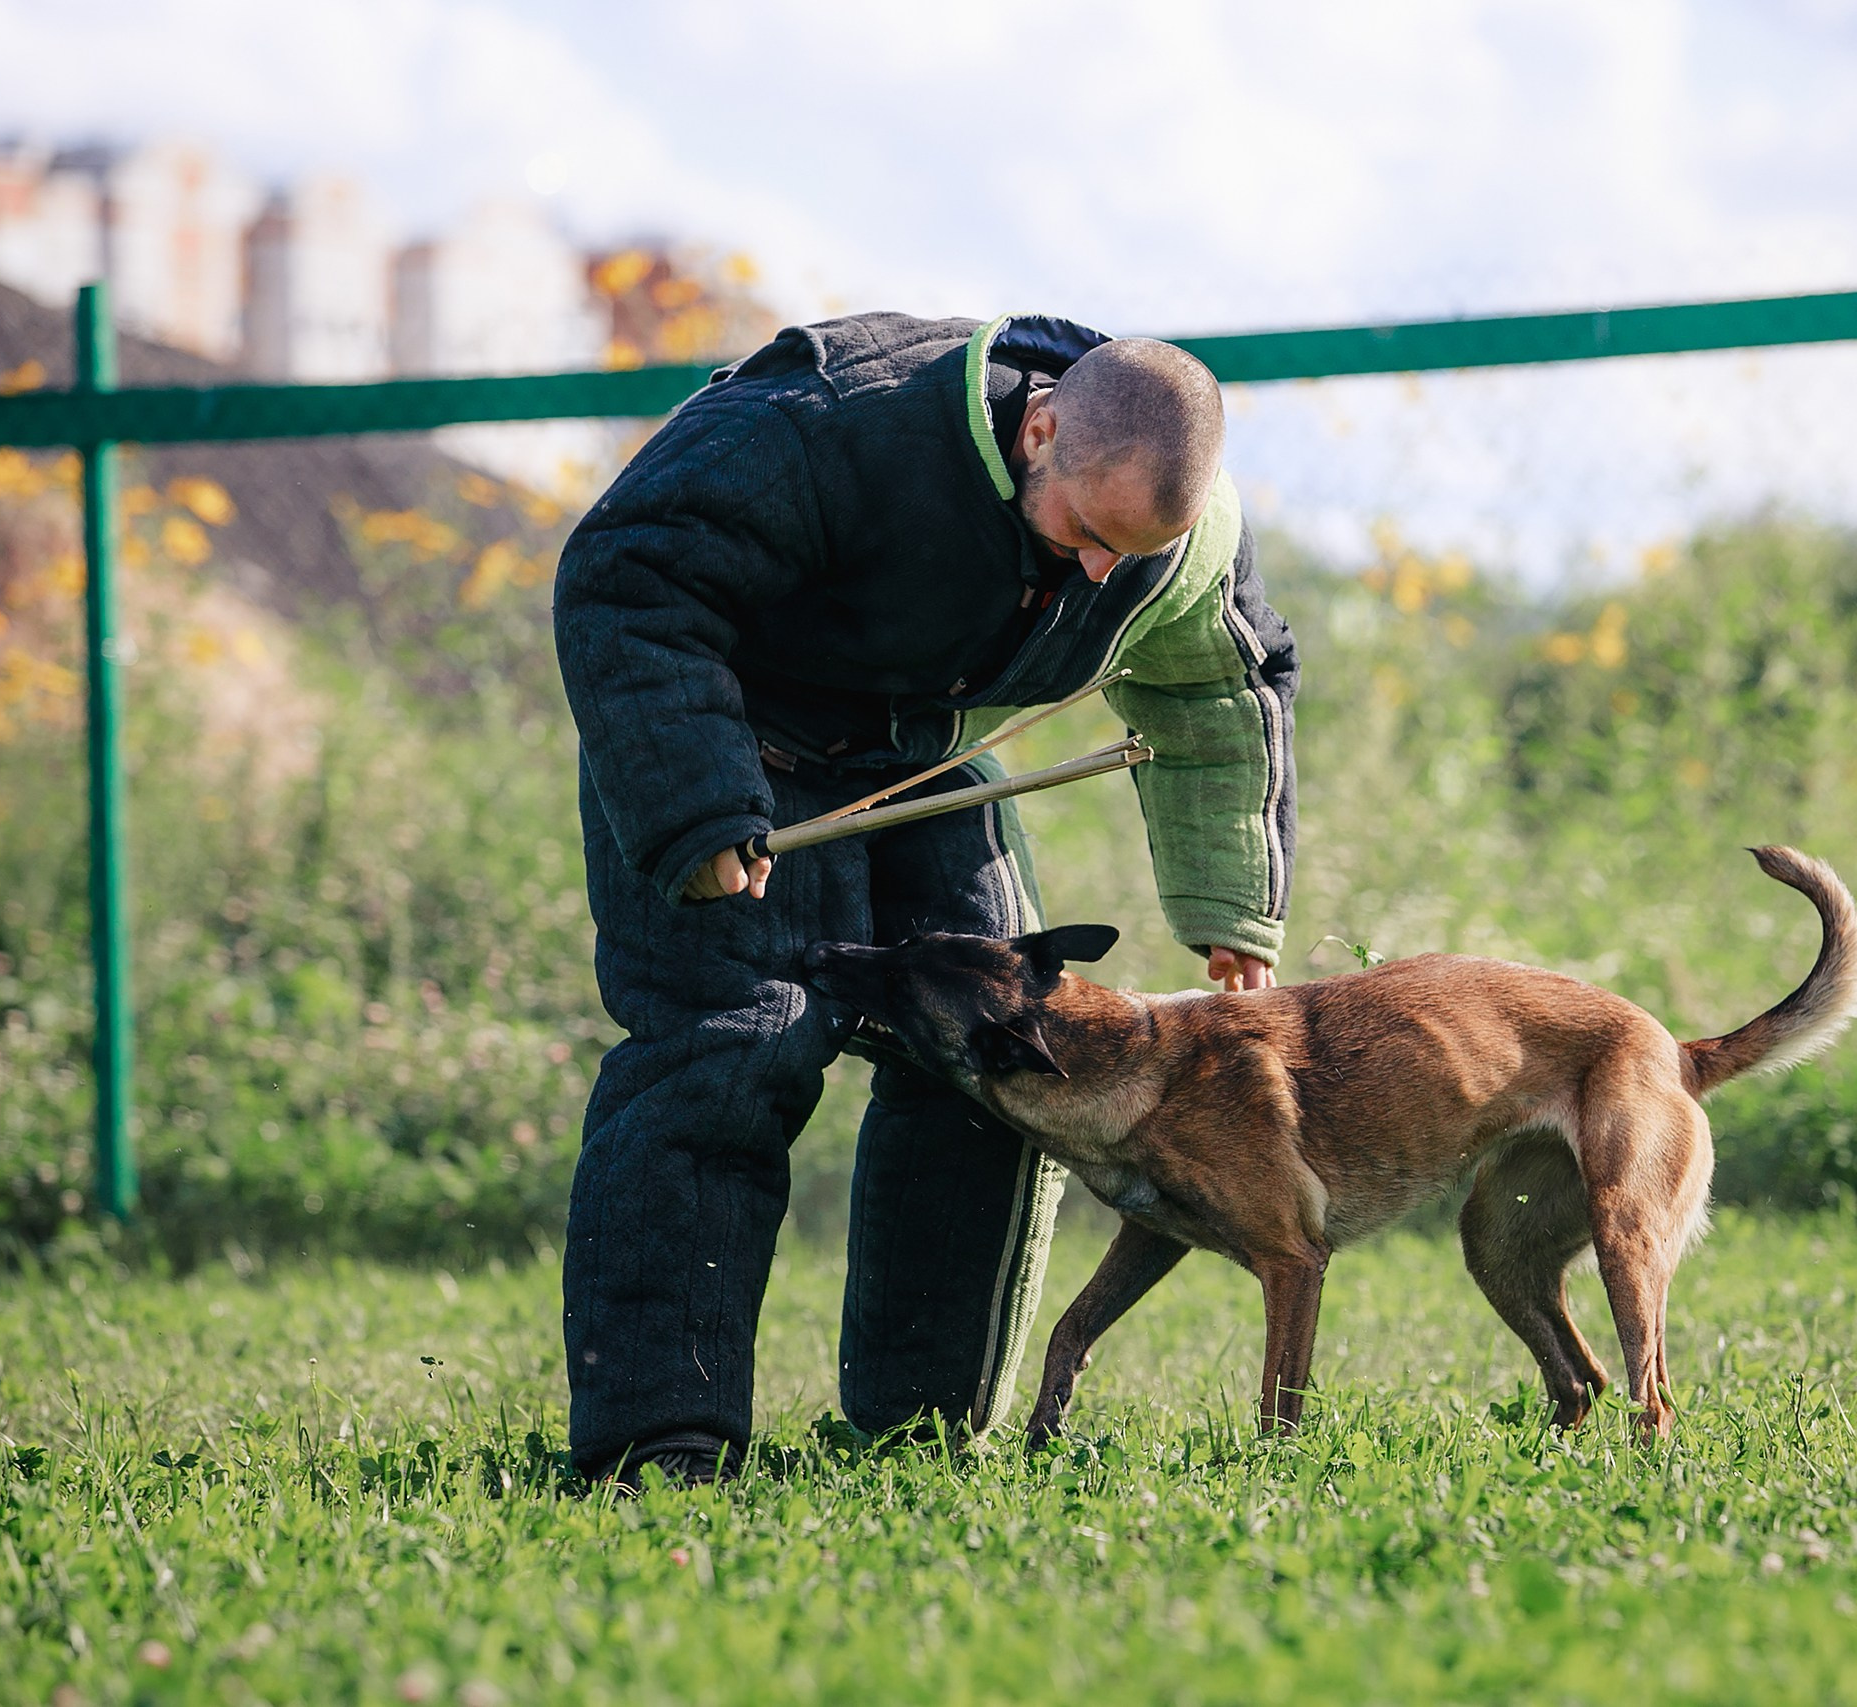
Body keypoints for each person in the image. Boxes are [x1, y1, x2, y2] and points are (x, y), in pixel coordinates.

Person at [552, 313, 1299, 1487]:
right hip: (731, 739)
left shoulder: (1179, 537)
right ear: (1038, 430)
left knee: (1006, 1049)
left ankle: (920, 1431)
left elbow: (1216, 690)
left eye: (1131, 556)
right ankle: (661, 1441)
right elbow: (628, 578)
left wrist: (1230, 909)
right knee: (732, 1049)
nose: (1099, 574)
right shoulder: (823, 426)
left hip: (920, 757)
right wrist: (694, 803)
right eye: (1086, 534)